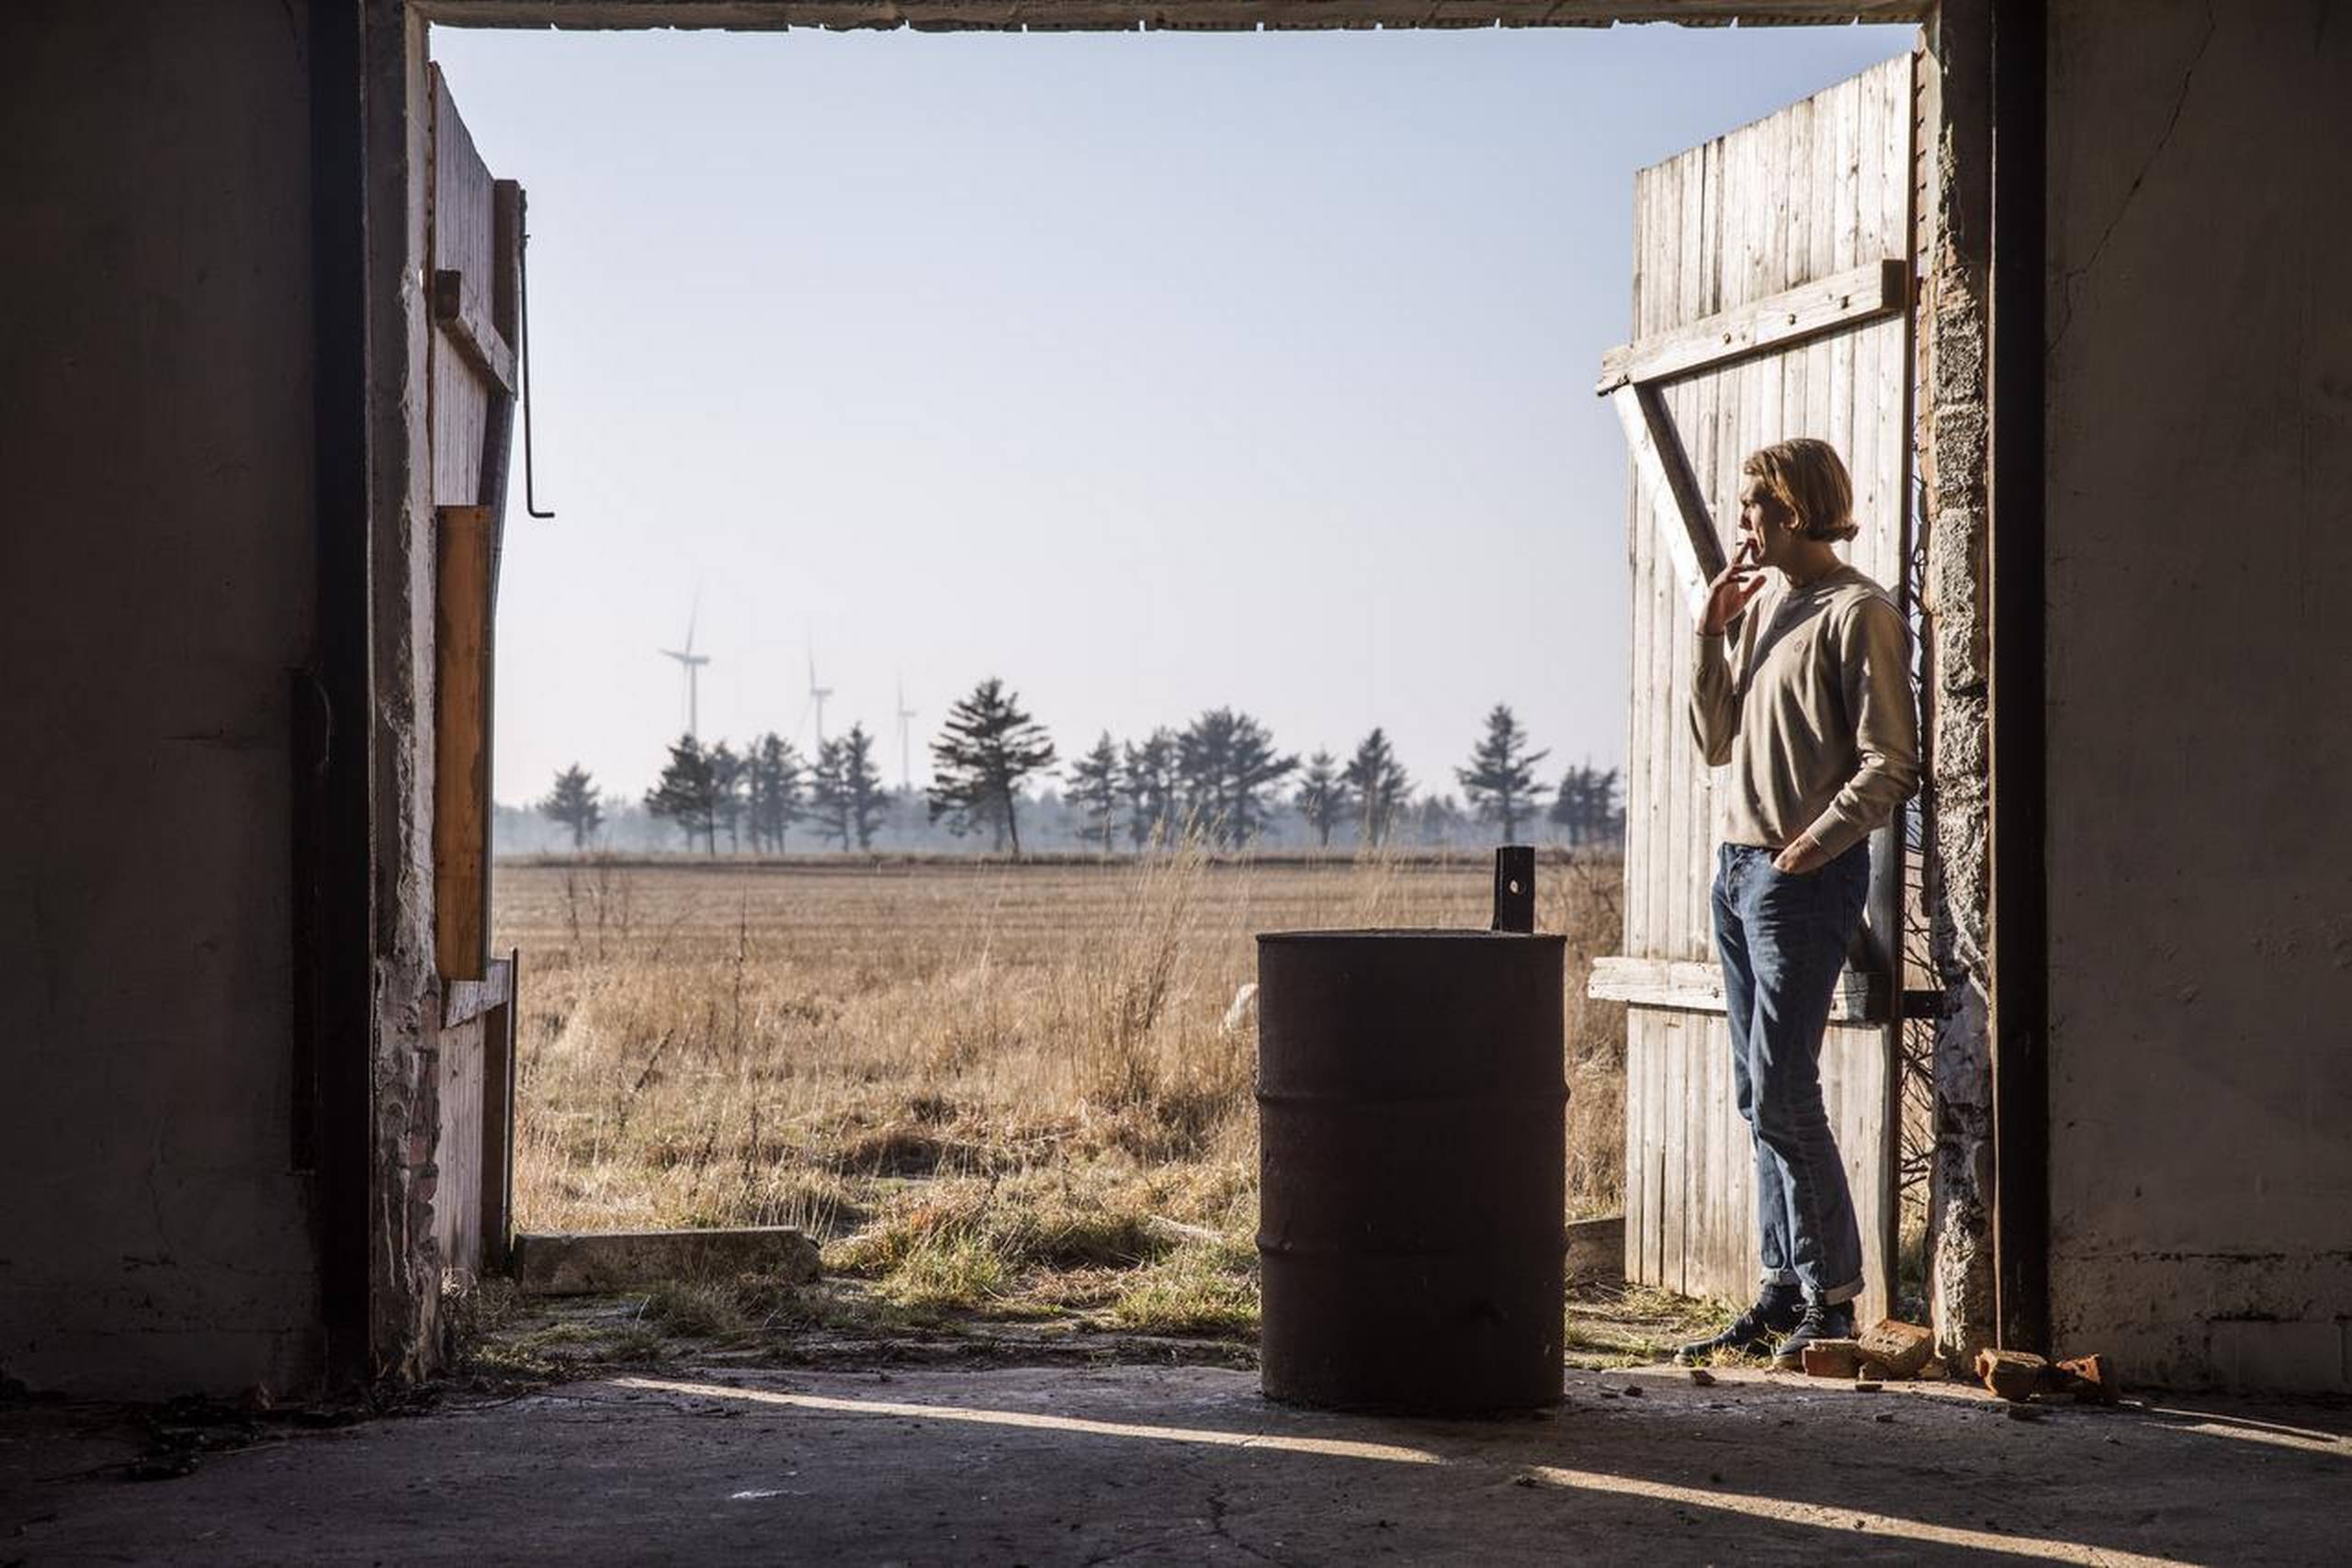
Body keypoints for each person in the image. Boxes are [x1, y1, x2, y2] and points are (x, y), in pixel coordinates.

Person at [1674, 437, 1919, 1369]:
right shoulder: (1764, 606)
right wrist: (1708, 633)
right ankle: (1781, 1293)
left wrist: (1814, 845)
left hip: (1800, 881)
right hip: (1735, 876)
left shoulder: (1859, 613)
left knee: (1782, 1092)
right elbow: (1713, 740)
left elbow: (1890, 761)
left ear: (1799, 508)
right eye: (1742, 506)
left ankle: (1837, 1299)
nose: (1743, 523)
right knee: (1754, 1093)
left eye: (1755, 506)